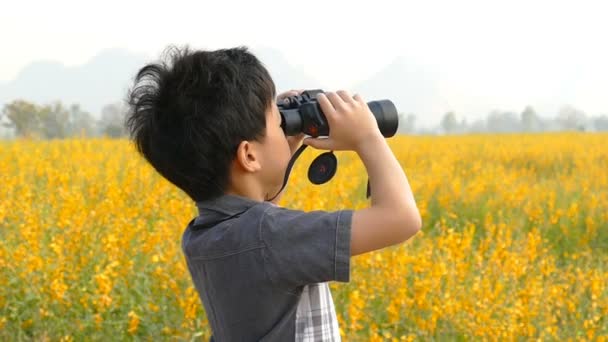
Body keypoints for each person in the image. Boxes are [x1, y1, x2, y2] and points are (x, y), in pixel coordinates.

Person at [125, 45, 421, 341]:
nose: (286, 127)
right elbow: (401, 218)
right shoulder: (269, 237)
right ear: (249, 156)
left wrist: (282, 148)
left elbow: (257, 218)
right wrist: (366, 136)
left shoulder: (203, 237)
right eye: (279, 122)